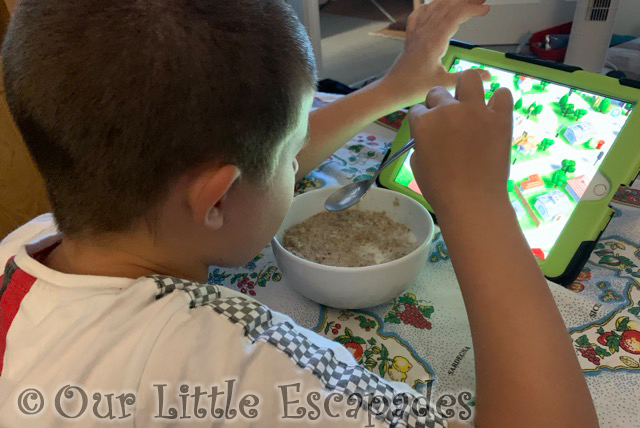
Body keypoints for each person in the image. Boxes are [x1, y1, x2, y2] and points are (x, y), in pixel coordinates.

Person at [0, 0, 598, 426]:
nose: (299, 162)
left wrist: (396, 86)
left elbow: (236, 171)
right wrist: (480, 204)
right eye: (293, 157)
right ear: (215, 201)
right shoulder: (233, 366)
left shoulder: (37, 241)